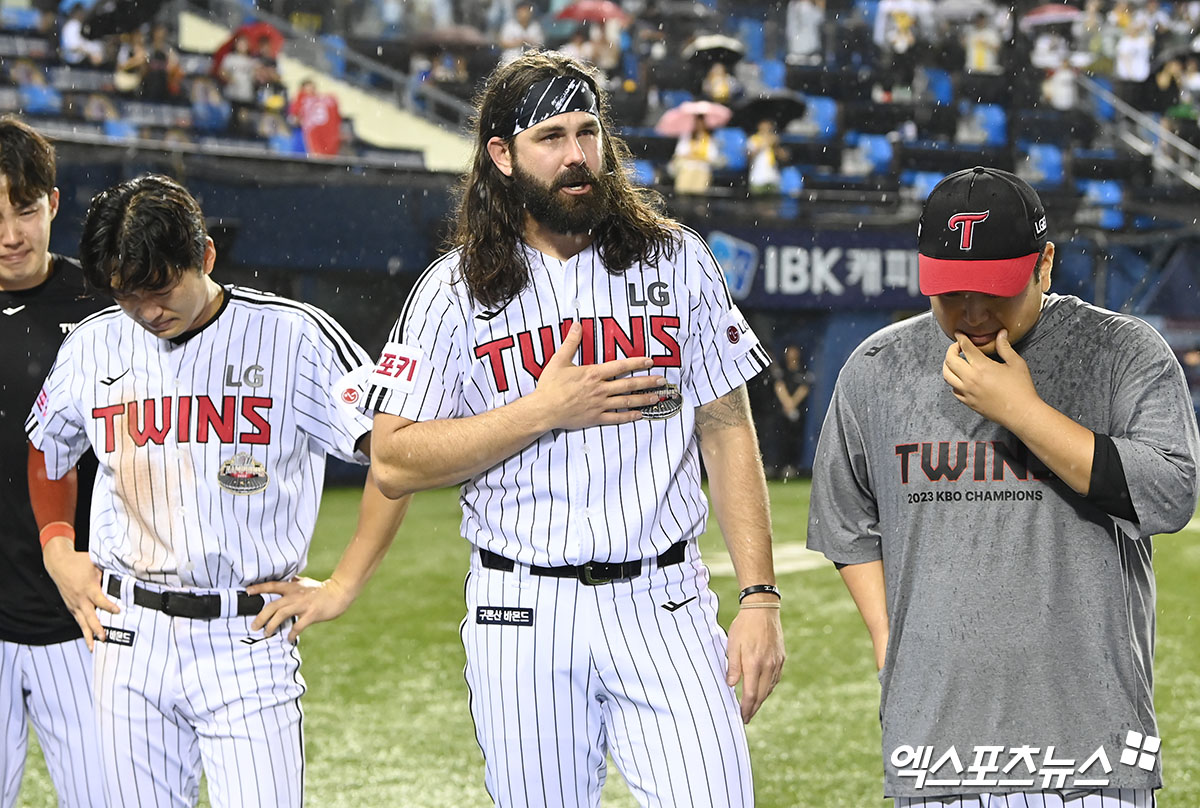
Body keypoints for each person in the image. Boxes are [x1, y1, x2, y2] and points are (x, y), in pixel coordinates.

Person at [367, 50, 785, 807]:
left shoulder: (676, 259)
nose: (576, 157)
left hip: (665, 601)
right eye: (550, 138)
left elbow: (726, 426)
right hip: (520, 609)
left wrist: (759, 596)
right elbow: (393, 459)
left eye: (587, 132)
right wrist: (541, 412)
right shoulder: (453, 290)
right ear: (501, 155)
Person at [807, 166, 1200, 807]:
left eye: (995, 289)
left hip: (1089, 751)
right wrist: (892, 642)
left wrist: (1021, 411)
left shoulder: (1122, 352)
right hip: (933, 747)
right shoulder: (878, 369)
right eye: (951, 292)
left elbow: (1170, 493)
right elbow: (847, 522)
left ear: (1045, 264)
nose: (973, 313)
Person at [26, 174, 412, 808]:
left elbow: (396, 457)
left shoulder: (295, 337)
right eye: (128, 295)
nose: (148, 311)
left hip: (246, 637)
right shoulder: (94, 342)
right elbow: (47, 445)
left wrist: (343, 584)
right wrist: (57, 547)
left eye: (160, 288)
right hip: (128, 636)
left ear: (204, 255)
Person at [0, 116, 106, 808]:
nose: (11, 233)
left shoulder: (107, 310)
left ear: (55, 203)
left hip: (88, 619)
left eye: (26, 208)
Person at [670, 113, 722, 195]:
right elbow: (680, 153)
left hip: (702, 169)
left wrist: (697, 157)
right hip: (687, 168)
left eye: (701, 123)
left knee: (699, 191)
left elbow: (712, 157)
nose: (699, 125)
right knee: (683, 190)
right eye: (697, 123)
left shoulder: (709, 139)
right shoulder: (687, 137)